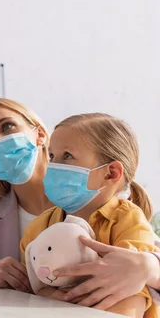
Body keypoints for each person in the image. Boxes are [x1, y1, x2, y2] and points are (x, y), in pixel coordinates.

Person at [0, 99, 160, 308]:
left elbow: (145, 252)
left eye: (7, 127)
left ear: (40, 134)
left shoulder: (96, 199)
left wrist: (149, 267)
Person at [20, 113, 158, 318]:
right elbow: (29, 287)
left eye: (67, 156)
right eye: (51, 156)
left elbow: (133, 295)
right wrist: (47, 295)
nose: (54, 166)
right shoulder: (39, 227)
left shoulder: (129, 222)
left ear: (111, 173)